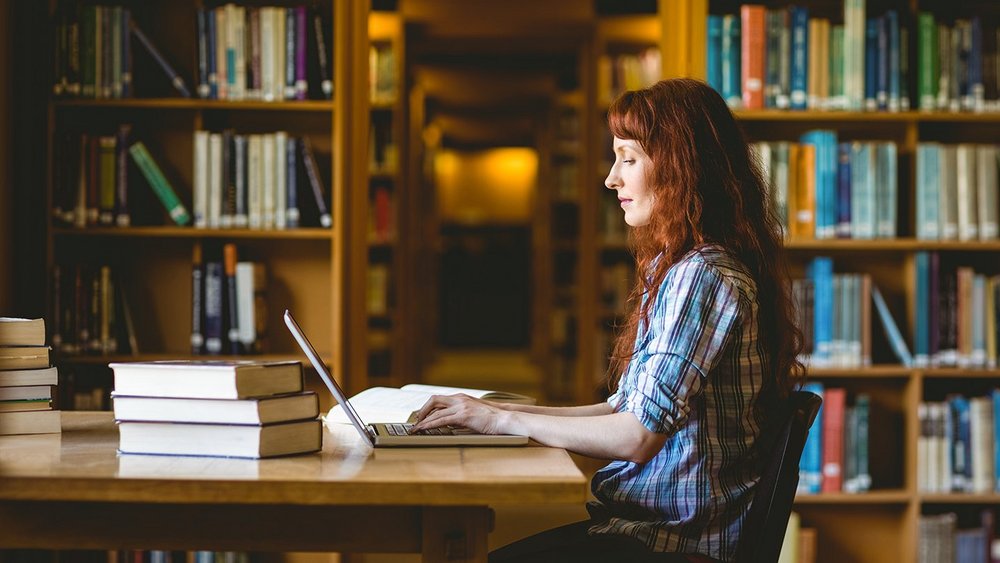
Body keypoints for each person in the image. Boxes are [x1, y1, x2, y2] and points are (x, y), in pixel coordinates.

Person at [411, 78, 805, 563]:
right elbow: (623, 408)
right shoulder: (679, 267)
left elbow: (635, 437)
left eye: (628, 158)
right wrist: (487, 415)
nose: (610, 178)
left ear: (680, 167)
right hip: (647, 527)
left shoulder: (702, 276)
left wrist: (499, 419)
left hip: (674, 542)